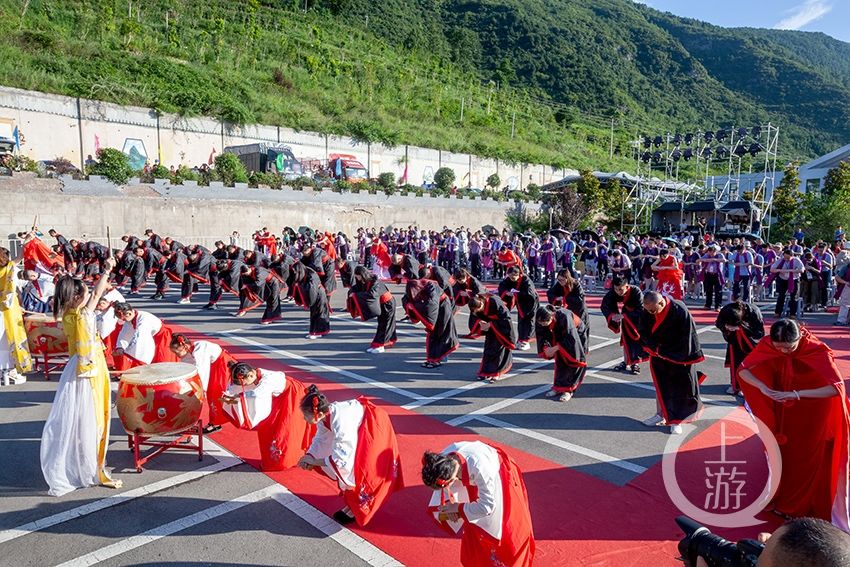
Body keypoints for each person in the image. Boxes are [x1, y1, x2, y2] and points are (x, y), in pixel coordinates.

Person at [737, 319, 850, 529]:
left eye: (789, 347)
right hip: (783, 408)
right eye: (778, 347)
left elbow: (836, 389)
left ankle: (802, 506)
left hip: (813, 412)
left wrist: (797, 394)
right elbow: (744, 370)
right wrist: (762, 387)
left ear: (799, 338)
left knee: (807, 458)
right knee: (785, 454)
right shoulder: (769, 344)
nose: (783, 352)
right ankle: (786, 500)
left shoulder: (817, 351)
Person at [40, 258, 123, 495]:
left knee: (81, 419)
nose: (89, 296)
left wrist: (103, 276)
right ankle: (89, 465)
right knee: (94, 419)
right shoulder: (80, 315)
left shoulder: (68, 313)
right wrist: (106, 271)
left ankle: (83, 461)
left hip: (81, 367)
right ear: (77, 297)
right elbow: (96, 296)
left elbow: (94, 296)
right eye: (85, 294)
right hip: (89, 370)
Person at [298, 385, 404, 526]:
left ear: (317, 414)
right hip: (361, 425)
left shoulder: (340, 422)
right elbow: (321, 438)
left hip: (373, 426)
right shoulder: (327, 415)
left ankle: (361, 506)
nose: (304, 418)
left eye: (306, 415)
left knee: (364, 468)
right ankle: (352, 504)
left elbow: (341, 461)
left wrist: (314, 462)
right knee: (349, 470)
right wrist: (310, 456)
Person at [421, 442, 535, 567]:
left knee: (508, 529)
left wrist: (459, 509)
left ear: (450, 480)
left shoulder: (480, 467)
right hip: (472, 480)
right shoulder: (441, 462)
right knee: (473, 526)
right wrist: (453, 510)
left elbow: (487, 506)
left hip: (500, 479)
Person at [219, 362, 315, 471]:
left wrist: (237, 397)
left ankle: (283, 461)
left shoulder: (268, 380)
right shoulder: (252, 375)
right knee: (267, 429)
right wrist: (229, 395)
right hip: (277, 399)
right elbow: (235, 387)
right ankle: (278, 459)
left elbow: (258, 393)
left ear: (251, 375)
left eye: (245, 383)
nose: (244, 386)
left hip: (291, 397)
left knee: (285, 431)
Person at [639, 291, 704, 435]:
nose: (651, 313)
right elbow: (643, 329)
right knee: (660, 385)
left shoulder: (679, 310)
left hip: (679, 355)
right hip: (658, 353)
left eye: (653, 310)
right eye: (648, 310)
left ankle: (676, 420)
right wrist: (653, 347)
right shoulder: (648, 311)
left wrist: (669, 351)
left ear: (661, 303)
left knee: (679, 387)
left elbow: (688, 336)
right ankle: (660, 414)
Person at [169, 334, 235, 433]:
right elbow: (185, 367)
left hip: (221, 365)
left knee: (216, 394)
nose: (176, 355)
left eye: (177, 352)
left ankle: (216, 422)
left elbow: (201, 371)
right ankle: (215, 421)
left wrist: (201, 389)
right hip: (213, 366)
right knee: (213, 395)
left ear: (185, 346)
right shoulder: (190, 352)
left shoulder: (200, 349)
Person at [535, 305, 587, 402]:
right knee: (560, 360)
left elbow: (571, 338)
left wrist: (555, 348)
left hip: (576, 334)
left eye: (544, 322)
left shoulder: (564, 316)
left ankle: (568, 390)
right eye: (540, 323)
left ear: (551, 316)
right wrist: (546, 347)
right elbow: (542, 334)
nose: (542, 325)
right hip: (560, 333)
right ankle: (559, 387)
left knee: (571, 362)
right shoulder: (541, 318)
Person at [404, 279, 459, 369]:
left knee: (441, 332)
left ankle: (438, 359)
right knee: (433, 335)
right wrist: (410, 307)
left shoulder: (431, 287)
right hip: (435, 307)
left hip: (443, 307)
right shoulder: (414, 287)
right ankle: (432, 359)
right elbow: (407, 299)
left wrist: (415, 308)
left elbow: (431, 305)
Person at [601, 274, 648, 375]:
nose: (618, 292)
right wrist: (612, 315)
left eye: (620, 289)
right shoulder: (613, 292)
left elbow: (641, 309)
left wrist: (624, 316)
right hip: (626, 315)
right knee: (626, 338)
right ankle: (626, 361)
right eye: (616, 289)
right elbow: (605, 305)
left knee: (636, 340)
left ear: (627, 286)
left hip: (637, 318)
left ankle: (635, 363)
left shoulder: (636, 291)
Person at [715, 300, 764, 395]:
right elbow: (718, 323)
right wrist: (726, 327)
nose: (729, 327)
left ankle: (750, 385)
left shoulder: (754, 312)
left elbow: (759, 333)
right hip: (734, 340)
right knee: (735, 362)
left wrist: (741, 328)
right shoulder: (726, 311)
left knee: (751, 363)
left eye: (731, 325)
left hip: (750, 340)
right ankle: (736, 386)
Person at [112, 302, 178, 370]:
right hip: (151, 337)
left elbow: (141, 338)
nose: (123, 320)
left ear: (129, 313)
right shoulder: (129, 319)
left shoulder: (143, 320)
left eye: (123, 318)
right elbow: (124, 334)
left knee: (162, 361)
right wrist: (120, 347)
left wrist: (127, 351)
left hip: (161, 337)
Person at [0, 246, 33, 384]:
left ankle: (4, 372)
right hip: (9, 308)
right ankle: (11, 370)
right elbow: (21, 256)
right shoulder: (10, 267)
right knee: (12, 339)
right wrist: (25, 242)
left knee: (2, 342)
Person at [346, 266, 397, 354]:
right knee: (382, 323)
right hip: (381, 304)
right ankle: (385, 341)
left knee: (385, 324)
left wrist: (356, 295)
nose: (357, 278)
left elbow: (372, 295)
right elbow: (356, 288)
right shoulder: (365, 281)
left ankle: (381, 345)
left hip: (388, 304)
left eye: (358, 276)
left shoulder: (375, 282)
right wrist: (352, 292)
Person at [468, 293, 517, 382]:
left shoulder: (495, 302)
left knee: (498, 350)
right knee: (488, 348)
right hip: (490, 328)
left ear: (482, 304)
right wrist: (480, 323)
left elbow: (505, 319)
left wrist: (491, 324)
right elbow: (475, 318)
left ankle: (496, 373)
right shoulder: (475, 303)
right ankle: (485, 372)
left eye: (478, 309)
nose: (476, 311)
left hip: (501, 329)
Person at [546, 268, 589, 353]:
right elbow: (550, 293)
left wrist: (565, 298)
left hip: (579, 310)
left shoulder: (576, 285)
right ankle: (569, 347)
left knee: (581, 330)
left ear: (567, 278)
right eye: (558, 279)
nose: (560, 281)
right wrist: (556, 298)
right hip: (568, 311)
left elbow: (580, 299)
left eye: (562, 280)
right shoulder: (559, 284)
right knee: (569, 330)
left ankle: (581, 350)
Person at [498, 266, 538, 351]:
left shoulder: (526, 280)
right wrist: (506, 292)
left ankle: (526, 340)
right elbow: (502, 287)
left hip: (530, 302)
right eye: (510, 276)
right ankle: (521, 339)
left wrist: (516, 294)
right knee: (521, 320)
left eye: (514, 276)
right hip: (520, 302)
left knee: (529, 319)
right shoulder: (508, 280)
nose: (513, 278)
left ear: (519, 274)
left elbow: (530, 293)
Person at [289, 262, 330, 340]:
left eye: (295, 270)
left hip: (319, 294)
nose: (294, 272)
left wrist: (310, 302)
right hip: (316, 292)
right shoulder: (306, 271)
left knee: (319, 313)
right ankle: (313, 331)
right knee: (314, 314)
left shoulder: (311, 275)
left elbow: (312, 291)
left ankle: (319, 332)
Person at [769, 248, 804, 318]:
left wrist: (791, 270)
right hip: (783, 279)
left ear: (792, 256)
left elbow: (802, 270)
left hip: (794, 279)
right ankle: (778, 312)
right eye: (785, 257)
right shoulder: (780, 260)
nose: (786, 259)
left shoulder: (796, 260)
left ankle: (792, 313)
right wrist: (780, 270)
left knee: (793, 296)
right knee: (781, 296)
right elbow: (772, 269)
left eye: (788, 258)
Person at [698, 245, 725, 310]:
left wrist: (714, 259)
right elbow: (699, 260)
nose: (711, 254)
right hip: (709, 274)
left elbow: (724, 260)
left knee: (718, 291)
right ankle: (708, 305)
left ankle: (718, 306)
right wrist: (708, 259)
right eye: (710, 252)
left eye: (713, 252)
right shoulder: (707, 255)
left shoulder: (720, 255)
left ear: (715, 251)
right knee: (708, 290)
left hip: (717, 275)